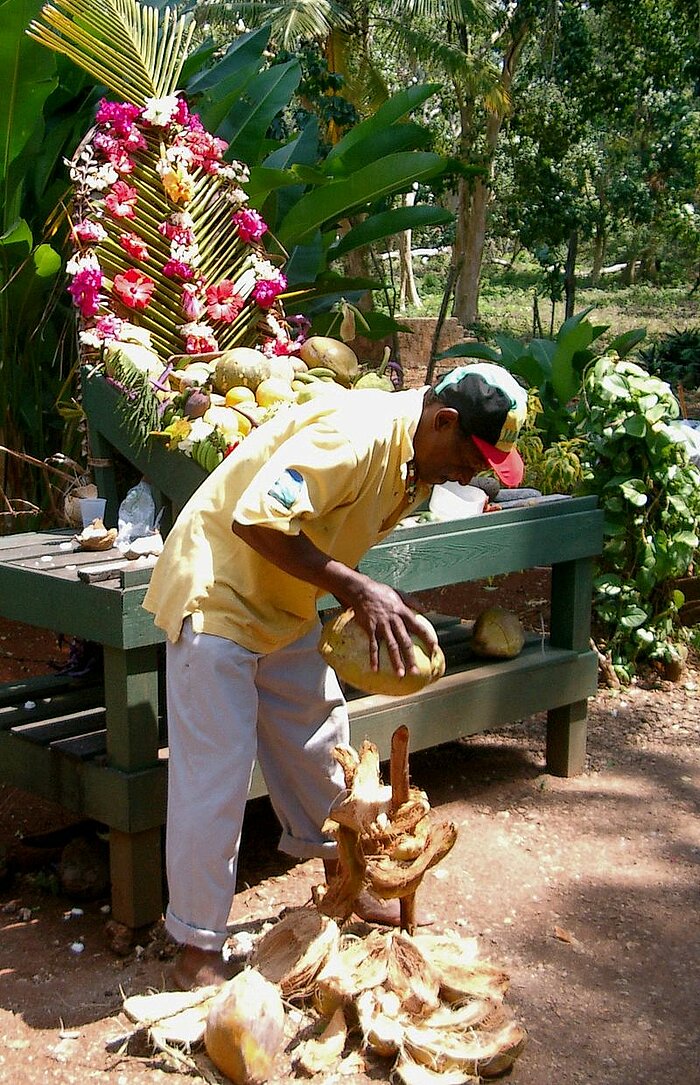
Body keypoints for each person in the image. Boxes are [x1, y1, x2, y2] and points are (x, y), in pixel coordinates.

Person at [143, 361, 528, 990]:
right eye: (472, 458)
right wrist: (358, 589)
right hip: (217, 595)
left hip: (284, 601)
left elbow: (328, 532)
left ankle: (343, 886)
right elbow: (255, 519)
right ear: (444, 421)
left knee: (325, 746)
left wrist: (374, 599)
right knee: (215, 778)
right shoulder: (354, 437)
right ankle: (197, 947)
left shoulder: (415, 458)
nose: (471, 475)